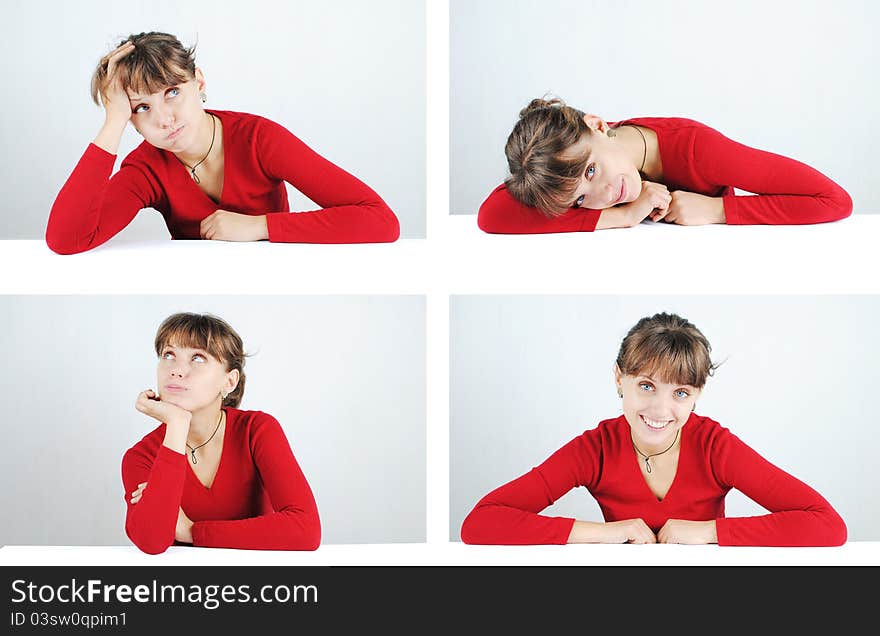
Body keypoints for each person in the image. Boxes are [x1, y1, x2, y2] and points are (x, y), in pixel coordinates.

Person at [460, 312, 846, 546]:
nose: (661, 410)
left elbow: (826, 525)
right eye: (646, 386)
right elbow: (481, 522)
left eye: (680, 391)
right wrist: (604, 533)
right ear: (619, 379)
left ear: (697, 394)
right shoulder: (595, 448)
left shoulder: (715, 447)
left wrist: (710, 532)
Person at [47, 32, 400, 254]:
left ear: (198, 81)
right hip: (199, 294)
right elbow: (67, 239)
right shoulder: (146, 168)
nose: (164, 118)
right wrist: (112, 123)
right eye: (141, 107)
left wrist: (260, 226)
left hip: (281, 286)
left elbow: (380, 220)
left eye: (172, 92)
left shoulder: (259, 139)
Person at [477, 97, 852, 234]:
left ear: (598, 125)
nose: (605, 194)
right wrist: (622, 217)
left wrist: (719, 209)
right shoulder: (601, 188)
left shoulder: (698, 151)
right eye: (579, 199)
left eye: (590, 171)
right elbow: (491, 215)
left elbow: (833, 200)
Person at [122, 312, 320, 554]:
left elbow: (305, 530)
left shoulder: (257, 431)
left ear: (229, 381)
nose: (176, 370)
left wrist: (192, 532)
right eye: (169, 355)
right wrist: (176, 423)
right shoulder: (140, 457)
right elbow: (151, 541)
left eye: (198, 358)